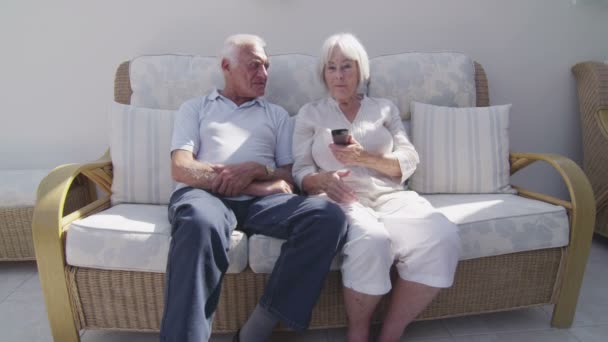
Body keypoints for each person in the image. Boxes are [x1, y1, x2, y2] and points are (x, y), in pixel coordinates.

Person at [160, 34, 348, 342]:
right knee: (199, 222)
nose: (263, 75)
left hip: (263, 204)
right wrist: (249, 183)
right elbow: (181, 167)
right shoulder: (195, 109)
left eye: (266, 67)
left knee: (328, 215)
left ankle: (256, 329)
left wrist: (260, 171)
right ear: (226, 66)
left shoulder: (276, 115)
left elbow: (288, 174)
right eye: (254, 66)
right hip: (204, 197)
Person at [292, 33, 461, 342]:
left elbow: (409, 160)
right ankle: (357, 330)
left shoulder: (384, 109)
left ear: (361, 71)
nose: (339, 75)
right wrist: (321, 181)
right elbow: (300, 170)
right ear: (323, 74)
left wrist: (365, 157)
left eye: (347, 66)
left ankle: (392, 331)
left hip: (390, 194)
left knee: (442, 236)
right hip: (341, 198)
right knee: (372, 239)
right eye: (331, 67)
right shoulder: (311, 114)